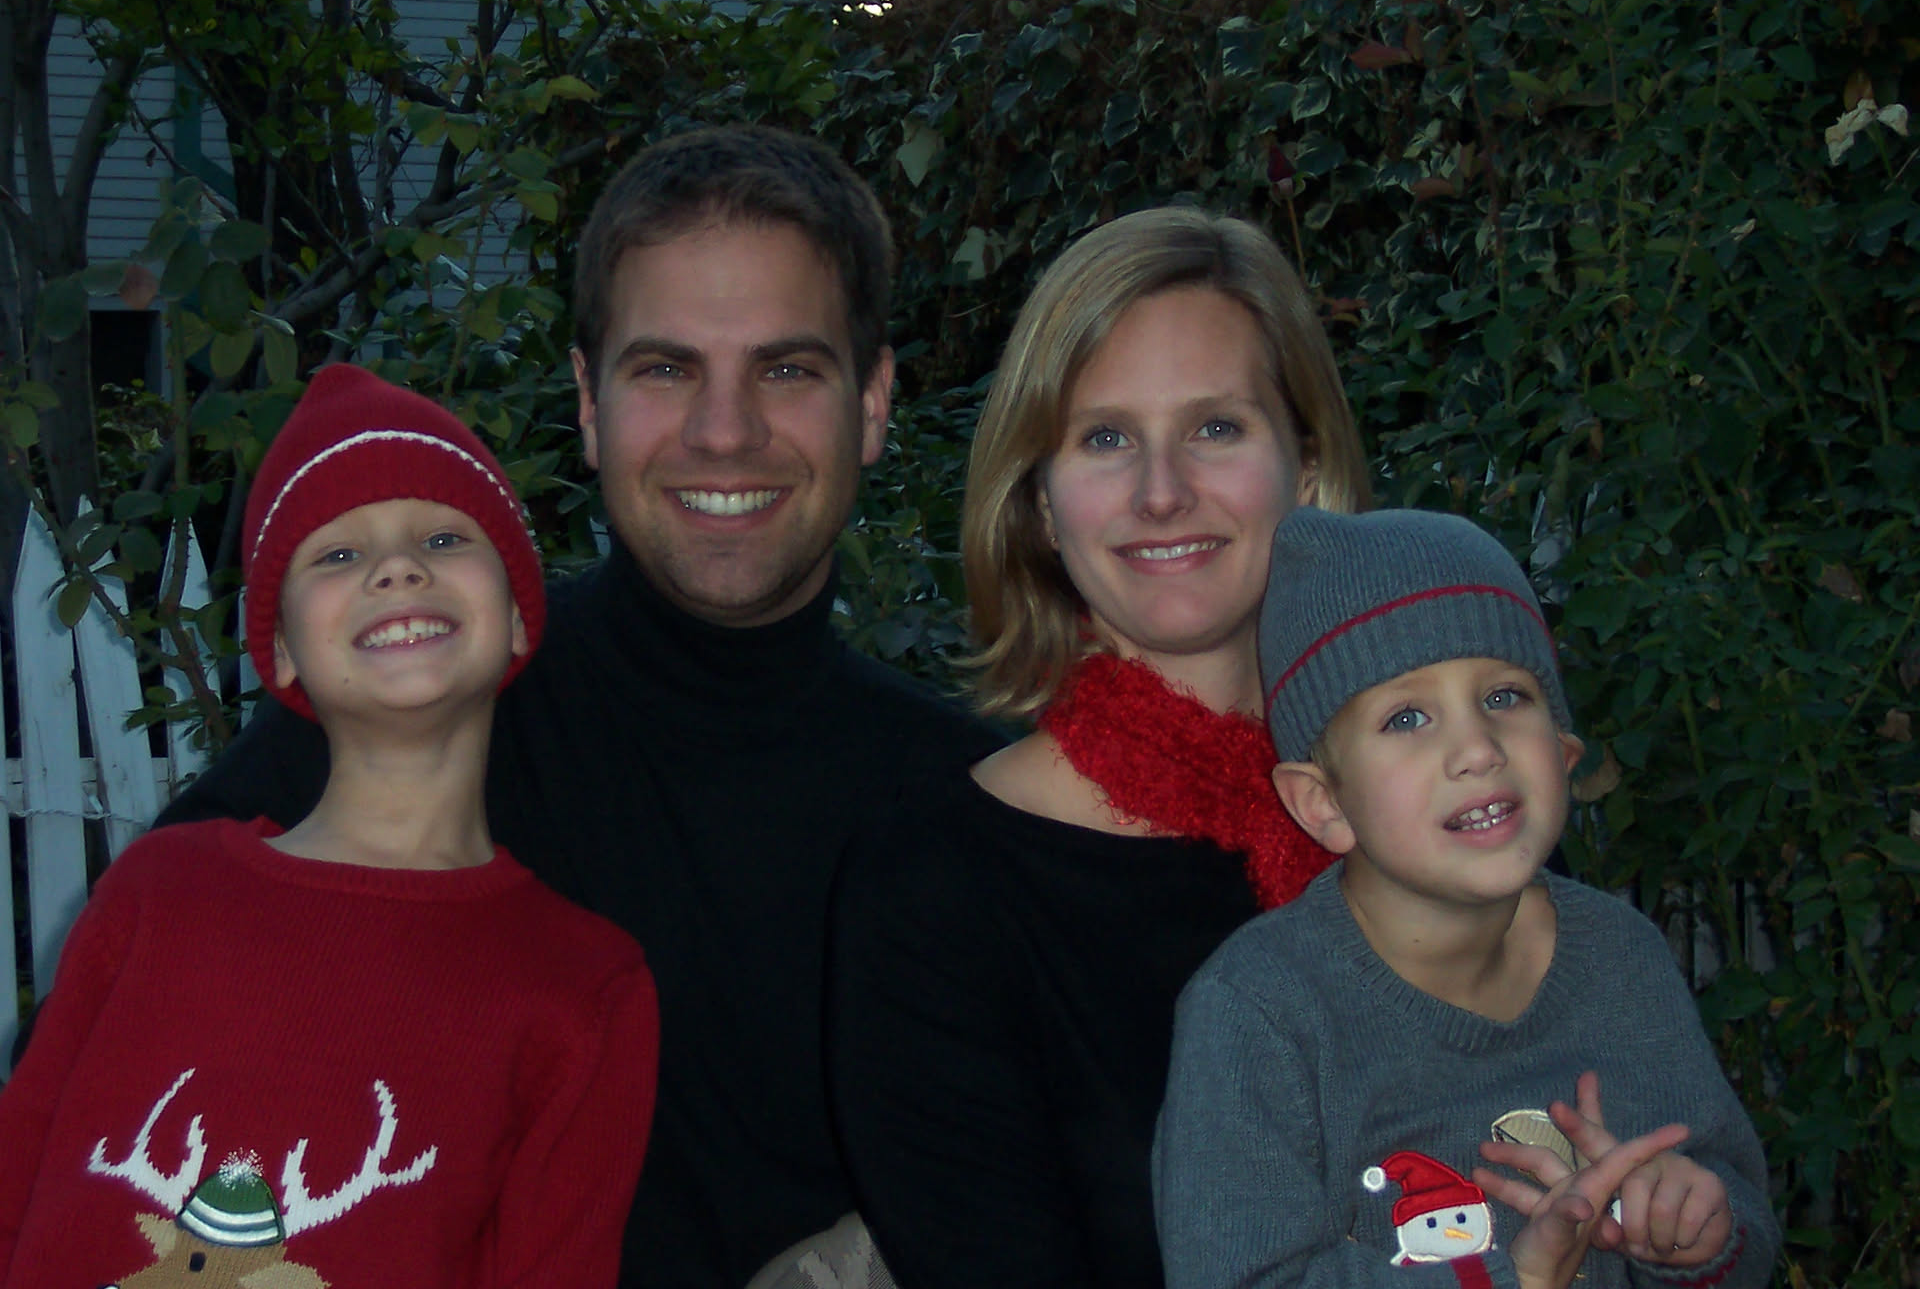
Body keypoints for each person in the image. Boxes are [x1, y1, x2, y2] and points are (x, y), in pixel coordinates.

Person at [158, 125, 1004, 1288]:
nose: (724, 430)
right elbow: (123, 1077)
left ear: (872, 401)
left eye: (786, 370)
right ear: (589, 404)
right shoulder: (413, 720)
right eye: (665, 369)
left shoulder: (966, 814)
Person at [0, 364, 659, 1287]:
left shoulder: (582, 988)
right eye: (338, 555)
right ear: (278, 648)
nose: (398, 567)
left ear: (518, 614)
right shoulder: (161, 893)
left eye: (443, 536)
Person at [825, 207, 1371, 1289]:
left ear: (1306, 468)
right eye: (1106, 438)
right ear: (1040, 502)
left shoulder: (1449, 804)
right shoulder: (935, 892)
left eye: (1217, 427)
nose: (1162, 491)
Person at [1152, 507, 1779, 1289]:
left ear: (1565, 751)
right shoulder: (1260, 1011)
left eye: (1506, 698)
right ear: (1324, 803)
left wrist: (1695, 1228)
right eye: (1407, 717)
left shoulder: (1623, 958)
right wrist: (1509, 1279)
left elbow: (1742, 1224)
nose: (1478, 749)